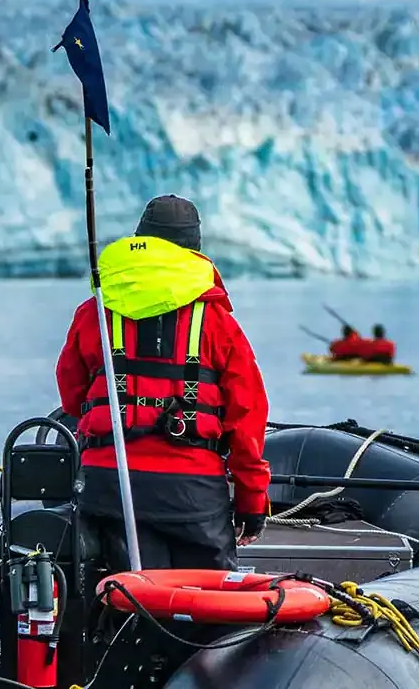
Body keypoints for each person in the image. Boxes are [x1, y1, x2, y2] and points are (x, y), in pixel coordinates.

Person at [56, 195, 269, 572]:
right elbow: (247, 416)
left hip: (110, 484)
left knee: (119, 595)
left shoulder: (94, 313)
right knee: (207, 607)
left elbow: (72, 395)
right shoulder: (218, 322)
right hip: (192, 493)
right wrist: (252, 501)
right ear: (195, 251)